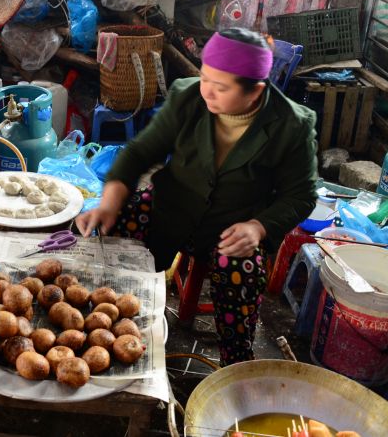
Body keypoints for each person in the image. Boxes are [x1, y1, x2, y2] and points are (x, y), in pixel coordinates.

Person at [77, 28, 318, 366]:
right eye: (205, 78)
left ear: (255, 92)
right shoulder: (188, 96)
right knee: (111, 229)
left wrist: (258, 227)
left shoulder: (292, 125)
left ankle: (235, 363)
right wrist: (109, 203)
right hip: (170, 207)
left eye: (222, 87)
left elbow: (301, 195)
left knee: (242, 269)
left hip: (231, 227)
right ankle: (110, 328)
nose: (207, 91)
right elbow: (141, 151)